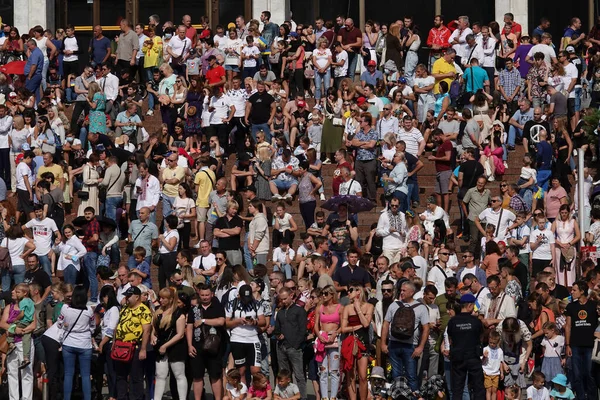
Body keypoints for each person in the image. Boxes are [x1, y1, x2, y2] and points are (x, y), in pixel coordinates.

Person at [381, 280, 429, 391]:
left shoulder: (421, 308)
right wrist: (383, 343)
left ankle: (412, 396)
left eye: (404, 290)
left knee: (411, 376)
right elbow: (385, 324)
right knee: (396, 376)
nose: (401, 292)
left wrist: (420, 347)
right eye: (401, 290)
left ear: (412, 292)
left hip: (411, 346)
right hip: (394, 344)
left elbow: (426, 328)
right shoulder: (394, 305)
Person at [187, 283, 226, 400]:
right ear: (199, 295)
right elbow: (189, 327)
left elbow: (221, 322)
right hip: (197, 346)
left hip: (214, 347)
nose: (205, 297)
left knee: (215, 375)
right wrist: (189, 345)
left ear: (212, 294)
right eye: (202, 295)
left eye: (207, 295)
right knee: (197, 376)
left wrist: (203, 321)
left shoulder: (217, 307)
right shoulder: (194, 309)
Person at [57, 285, 95, 400]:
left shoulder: (65, 308)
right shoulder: (89, 310)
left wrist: (65, 326)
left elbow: (59, 323)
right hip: (85, 344)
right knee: (85, 375)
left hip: (69, 343)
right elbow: (92, 327)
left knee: (69, 374)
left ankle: (67, 398)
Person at [114, 286, 152, 400]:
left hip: (135, 347)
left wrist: (143, 349)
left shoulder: (143, 310)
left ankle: (136, 398)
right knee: (121, 376)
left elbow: (146, 331)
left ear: (137, 297)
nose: (127, 298)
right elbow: (118, 325)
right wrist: (114, 343)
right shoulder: (125, 308)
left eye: (129, 296)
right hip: (121, 346)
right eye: (126, 296)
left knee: (136, 377)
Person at [447, 293, 486, 400]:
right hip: (473, 356)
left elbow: (450, 338)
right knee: (478, 386)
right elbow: (481, 336)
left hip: (458, 357)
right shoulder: (476, 321)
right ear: (469, 306)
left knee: (457, 387)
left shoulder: (452, 321)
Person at [225, 283, 266, 385]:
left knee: (256, 371)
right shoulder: (231, 304)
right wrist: (238, 321)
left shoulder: (257, 304)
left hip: (253, 340)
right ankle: (244, 393)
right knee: (241, 370)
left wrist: (254, 322)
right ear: (239, 295)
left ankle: (257, 393)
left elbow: (263, 321)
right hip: (237, 340)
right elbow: (226, 323)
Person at [152, 286, 187, 400]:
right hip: (161, 346)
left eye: (164, 298)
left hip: (176, 347)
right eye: (160, 298)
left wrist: (165, 346)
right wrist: (153, 336)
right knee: (160, 375)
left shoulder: (179, 313)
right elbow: (154, 329)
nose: (161, 300)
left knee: (179, 375)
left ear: (171, 299)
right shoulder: (158, 312)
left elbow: (180, 334)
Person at [565, 280, 598, 399]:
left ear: (582, 291)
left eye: (574, 290)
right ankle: (580, 397)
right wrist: (567, 344)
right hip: (575, 345)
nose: (572, 292)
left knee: (589, 374)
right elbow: (568, 326)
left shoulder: (593, 305)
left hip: (590, 345)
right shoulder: (571, 306)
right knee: (577, 374)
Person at [341, 282, 374, 400]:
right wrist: (356, 327)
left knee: (363, 376)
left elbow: (365, 323)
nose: (348, 293)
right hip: (350, 341)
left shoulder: (369, 306)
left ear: (359, 291)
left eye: (351, 290)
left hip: (363, 342)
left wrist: (358, 308)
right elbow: (344, 328)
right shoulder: (346, 308)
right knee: (350, 375)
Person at [274, 286, 307, 399]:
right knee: (285, 376)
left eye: (284, 298)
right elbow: (276, 329)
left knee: (299, 376)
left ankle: (302, 397)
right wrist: (278, 335)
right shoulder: (280, 312)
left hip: (294, 347)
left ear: (291, 295)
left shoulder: (299, 310)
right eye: (281, 299)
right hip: (281, 347)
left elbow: (303, 330)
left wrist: (295, 345)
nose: (282, 301)